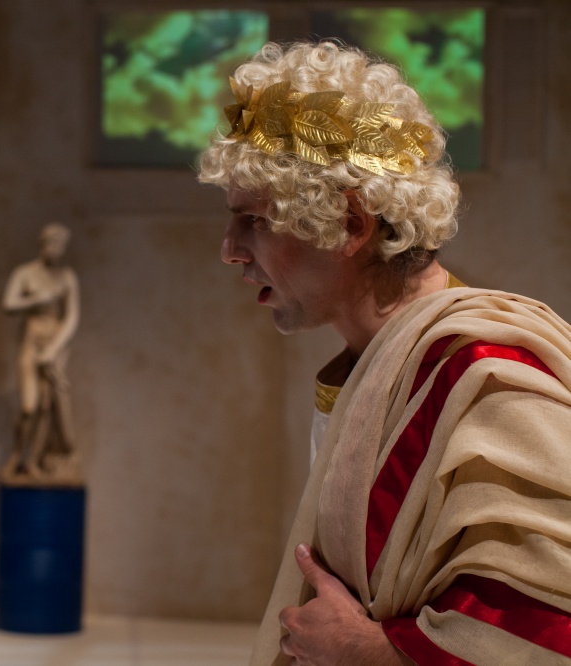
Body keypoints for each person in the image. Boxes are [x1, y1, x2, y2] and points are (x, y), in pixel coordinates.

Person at [199, 41, 571, 664]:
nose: (230, 250)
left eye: (255, 221)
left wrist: (366, 649)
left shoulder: (485, 371)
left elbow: (551, 631)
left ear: (350, 223)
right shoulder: (388, 361)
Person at [0, 222, 82, 485]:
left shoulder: (67, 277)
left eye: (61, 245)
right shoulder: (25, 273)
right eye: (52, 243)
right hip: (31, 342)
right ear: (43, 244)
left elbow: (72, 317)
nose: (56, 249)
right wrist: (37, 300)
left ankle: (33, 461)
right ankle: (16, 456)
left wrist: (54, 349)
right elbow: (9, 304)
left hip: (55, 346)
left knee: (47, 405)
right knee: (29, 405)